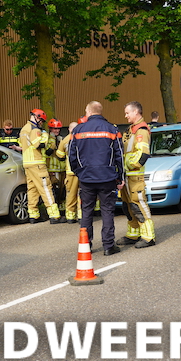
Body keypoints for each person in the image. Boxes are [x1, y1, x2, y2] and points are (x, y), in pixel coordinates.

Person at [68, 101, 124, 256]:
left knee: (86, 211)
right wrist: (120, 176)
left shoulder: (78, 130)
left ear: (89, 112)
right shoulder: (112, 129)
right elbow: (119, 155)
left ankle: (86, 245)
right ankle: (108, 246)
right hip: (107, 177)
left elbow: (71, 154)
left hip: (86, 177)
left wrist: (78, 172)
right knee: (107, 211)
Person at [117, 101, 155, 248]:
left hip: (134, 175)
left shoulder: (141, 130)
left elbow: (143, 154)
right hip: (127, 175)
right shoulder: (130, 130)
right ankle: (133, 234)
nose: (125, 116)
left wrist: (128, 165)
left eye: (127, 113)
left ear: (136, 112)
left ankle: (148, 237)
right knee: (128, 206)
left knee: (139, 205)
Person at [19, 109, 62, 224]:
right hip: (37, 162)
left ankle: (33, 215)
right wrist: (45, 136)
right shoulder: (35, 129)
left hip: (27, 163)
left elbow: (22, 144)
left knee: (32, 189)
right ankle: (54, 215)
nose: (42, 123)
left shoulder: (24, 129)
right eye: (42, 121)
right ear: (37, 117)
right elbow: (39, 145)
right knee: (46, 188)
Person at [55, 121, 80, 223]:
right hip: (82, 172)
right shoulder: (83, 137)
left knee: (70, 194)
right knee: (82, 194)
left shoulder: (65, 140)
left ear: (69, 129)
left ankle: (70, 216)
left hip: (70, 172)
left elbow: (60, 155)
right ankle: (81, 216)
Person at [46, 118, 66, 213]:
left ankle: (62, 208)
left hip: (62, 168)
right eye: (55, 128)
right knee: (54, 190)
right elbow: (47, 153)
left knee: (63, 190)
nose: (57, 130)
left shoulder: (61, 139)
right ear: (50, 129)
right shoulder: (47, 139)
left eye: (58, 128)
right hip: (52, 169)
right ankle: (55, 208)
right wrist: (52, 144)